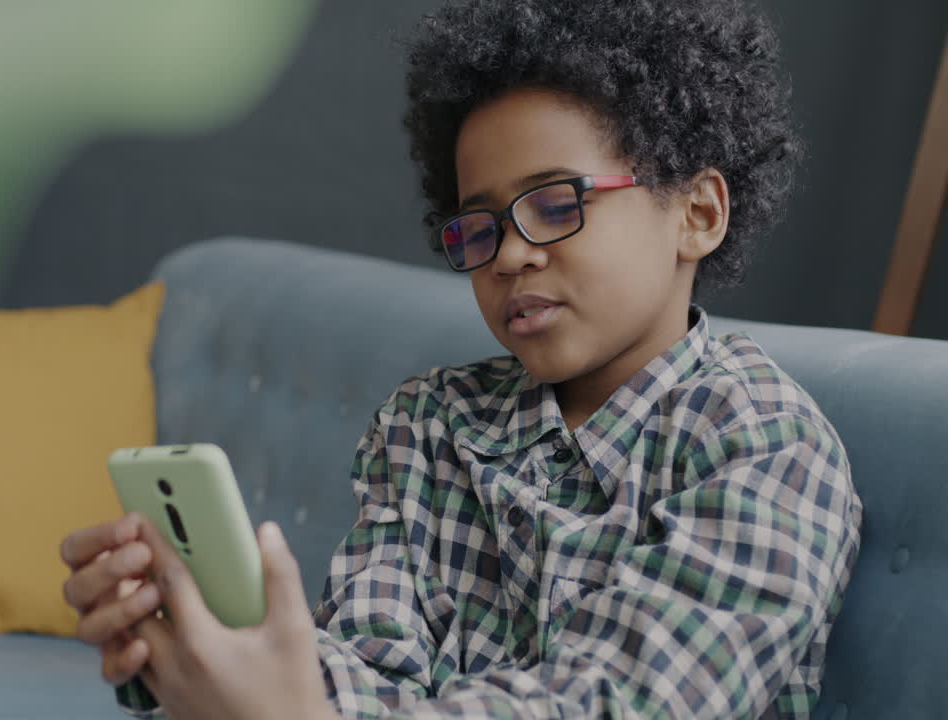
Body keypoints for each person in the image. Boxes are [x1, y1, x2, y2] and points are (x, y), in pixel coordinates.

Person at [59, 0, 863, 717]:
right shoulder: (430, 424)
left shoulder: (764, 446)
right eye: (479, 227)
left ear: (697, 212)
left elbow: (621, 703)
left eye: (555, 204)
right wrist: (212, 651)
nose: (510, 254)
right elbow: (372, 668)